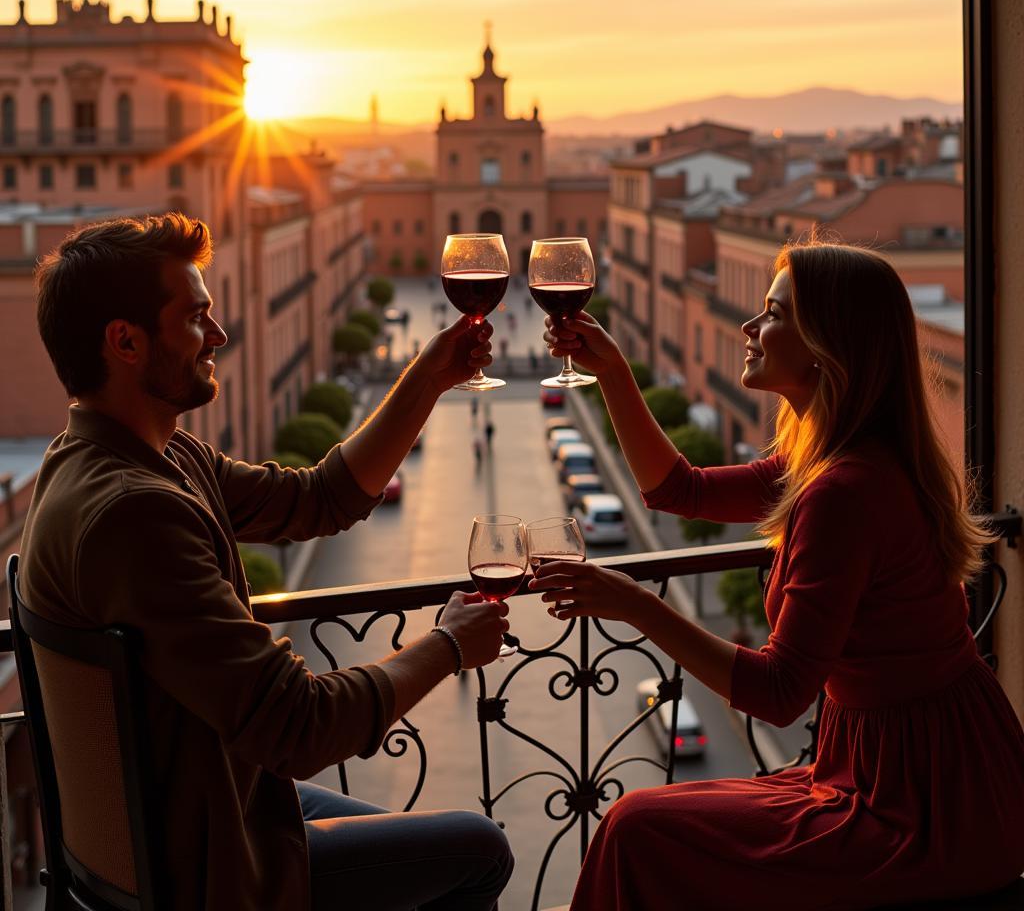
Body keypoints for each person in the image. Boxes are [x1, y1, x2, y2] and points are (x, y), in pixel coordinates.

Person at [21, 214, 513, 911]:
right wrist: (448, 646)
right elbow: (297, 726)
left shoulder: (132, 459)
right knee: (478, 849)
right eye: (196, 318)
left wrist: (430, 376)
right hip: (208, 868)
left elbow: (319, 501)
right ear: (124, 342)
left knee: (427, 842)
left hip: (205, 798)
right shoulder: (133, 513)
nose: (219, 336)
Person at [533, 241, 1024, 909]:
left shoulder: (843, 491)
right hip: (917, 770)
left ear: (826, 344)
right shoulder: (835, 460)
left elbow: (778, 691)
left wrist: (635, 603)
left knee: (634, 828)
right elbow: (679, 490)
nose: (748, 327)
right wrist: (613, 370)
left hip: (920, 805)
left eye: (772, 313)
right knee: (640, 826)